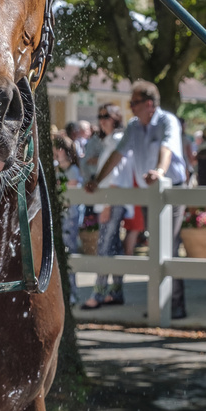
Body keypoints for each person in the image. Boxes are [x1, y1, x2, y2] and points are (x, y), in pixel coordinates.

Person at [87, 79, 188, 320]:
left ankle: (174, 306)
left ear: (150, 104)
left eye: (135, 103)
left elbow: (167, 149)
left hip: (171, 189)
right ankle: (160, 304)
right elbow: (117, 154)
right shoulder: (133, 126)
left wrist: (160, 172)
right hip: (148, 194)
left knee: (169, 245)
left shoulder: (167, 121)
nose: (131, 107)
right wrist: (97, 180)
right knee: (157, 248)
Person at [81, 104, 129, 309]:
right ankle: (116, 291)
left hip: (112, 199)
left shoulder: (118, 140)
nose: (102, 120)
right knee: (113, 246)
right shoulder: (110, 141)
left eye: (106, 116)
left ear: (116, 118)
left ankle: (98, 294)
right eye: (100, 116)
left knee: (104, 245)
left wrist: (108, 203)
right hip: (108, 199)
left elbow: (118, 174)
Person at [53, 132, 83, 305]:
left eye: (58, 148)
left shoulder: (72, 170)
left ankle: (73, 291)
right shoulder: (57, 169)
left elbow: (68, 197)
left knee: (70, 251)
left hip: (70, 217)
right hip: (61, 217)